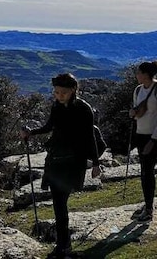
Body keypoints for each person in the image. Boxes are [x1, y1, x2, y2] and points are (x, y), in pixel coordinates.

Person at [21, 73, 101, 259]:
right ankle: (63, 245)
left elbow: (90, 137)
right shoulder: (57, 106)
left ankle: (63, 246)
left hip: (73, 162)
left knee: (60, 203)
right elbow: (50, 126)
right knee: (58, 204)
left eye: (63, 92)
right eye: (56, 92)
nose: (59, 96)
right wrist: (31, 132)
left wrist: (96, 163)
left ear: (73, 90)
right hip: (55, 159)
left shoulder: (84, 109)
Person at [128, 60, 157, 222]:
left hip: (155, 136)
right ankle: (147, 205)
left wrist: (154, 139)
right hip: (141, 134)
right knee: (145, 170)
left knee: (147, 170)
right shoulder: (138, 90)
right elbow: (137, 111)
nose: (136, 75)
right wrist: (132, 113)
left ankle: (149, 209)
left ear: (146, 74)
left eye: (138, 72)